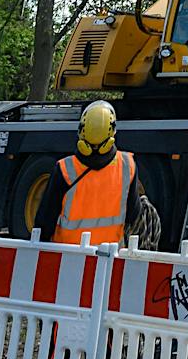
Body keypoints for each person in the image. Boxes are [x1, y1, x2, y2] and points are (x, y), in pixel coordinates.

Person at [30, 102, 158, 249]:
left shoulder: (65, 169)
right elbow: (133, 215)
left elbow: (44, 221)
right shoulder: (127, 165)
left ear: (81, 131)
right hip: (108, 258)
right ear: (112, 132)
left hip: (66, 257)